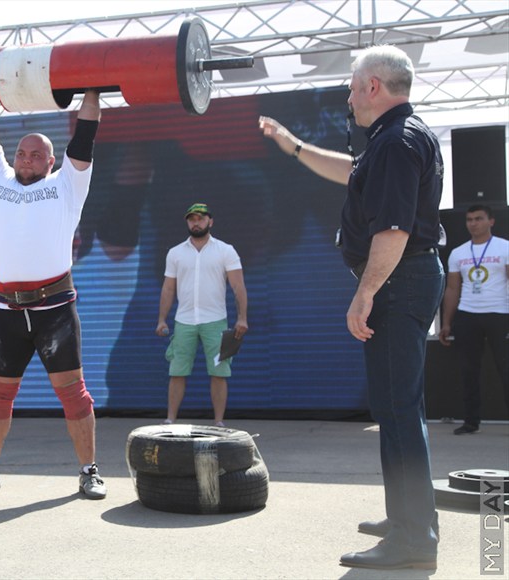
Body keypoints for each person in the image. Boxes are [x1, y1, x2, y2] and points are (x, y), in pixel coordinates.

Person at [259, 45, 443, 570]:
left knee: (399, 411)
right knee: (398, 409)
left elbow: (394, 229)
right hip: (406, 280)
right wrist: (294, 146)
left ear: (373, 87)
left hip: (397, 283)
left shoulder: (395, 142)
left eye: (351, 86)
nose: (348, 96)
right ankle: (408, 517)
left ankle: (413, 539)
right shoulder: (397, 138)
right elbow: (350, 171)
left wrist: (365, 293)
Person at [0, 89, 106, 500]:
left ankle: (89, 471)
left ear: (51, 161)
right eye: (22, 153)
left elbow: (85, 135)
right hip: (6, 308)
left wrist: (92, 88)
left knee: (73, 393)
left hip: (54, 309)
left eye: (36, 155)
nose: (26, 160)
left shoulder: (67, 185)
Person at [156, 202, 248, 426]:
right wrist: (161, 319)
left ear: (210, 221)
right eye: (192, 219)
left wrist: (242, 318)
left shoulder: (225, 250)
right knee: (177, 371)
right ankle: (170, 420)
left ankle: (218, 422)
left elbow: (238, 286)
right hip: (184, 321)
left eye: (200, 219)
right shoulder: (175, 253)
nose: (196, 223)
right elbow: (168, 288)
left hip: (216, 321)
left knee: (219, 372)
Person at [438, 205, 509, 434]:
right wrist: (446, 322)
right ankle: (471, 421)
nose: (473, 223)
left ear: (491, 221)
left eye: (479, 219)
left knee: (505, 368)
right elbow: (452, 289)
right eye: (469, 219)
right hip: (468, 314)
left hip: (499, 313)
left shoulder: (504, 247)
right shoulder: (458, 253)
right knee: (468, 371)